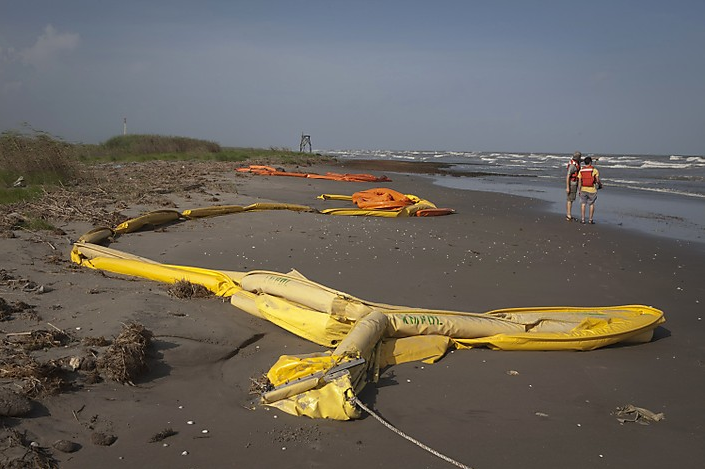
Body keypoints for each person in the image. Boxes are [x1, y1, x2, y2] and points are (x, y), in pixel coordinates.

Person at [577, 156, 601, 224]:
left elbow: (579, 181)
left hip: (583, 189)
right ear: (590, 162)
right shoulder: (594, 170)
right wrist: (600, 185)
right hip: (592, 190)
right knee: (591, 204)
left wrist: (579, 189)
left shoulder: (581, 170)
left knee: (583, 204)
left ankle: (583, 219)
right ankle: (590, 220)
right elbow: (597, 180)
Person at [565, 151, 582, 220]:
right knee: (570, 199)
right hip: (572, 183)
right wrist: (567, 187)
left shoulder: (576, 162)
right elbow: (568, 176)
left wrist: (592, 158)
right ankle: (568, 215)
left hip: (575, 183)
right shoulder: (572, 166)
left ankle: (569, 214)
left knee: (571, 199)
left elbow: (582, 160)